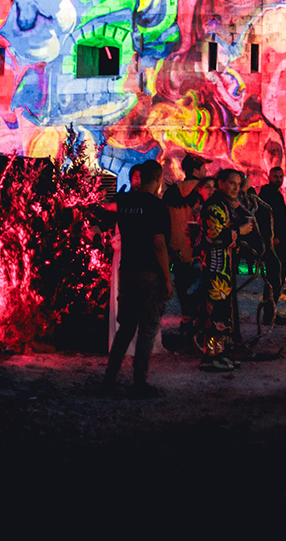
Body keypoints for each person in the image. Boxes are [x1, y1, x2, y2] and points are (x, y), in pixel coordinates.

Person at [102, 159, 172, 398]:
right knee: (148, 327)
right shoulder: (157, 206)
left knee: (126, 327)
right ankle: (139, 382)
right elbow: (159, 243)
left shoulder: (125, 202)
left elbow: (106, 208)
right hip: (149, 272)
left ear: (141, 178)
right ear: (159, 179)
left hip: (127, 269)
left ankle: (109, 378)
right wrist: (167, 278)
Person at [197, 169, 253, 371]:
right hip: (215, 267)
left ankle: (219, 352)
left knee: (223, 312)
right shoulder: (214, 206)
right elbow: (213, 236)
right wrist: (239, 231)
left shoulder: (225, 205)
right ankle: (210, 356)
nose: (235, 188)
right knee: (215, 313)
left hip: (224, 267)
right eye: (231, 183)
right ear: (220, 183)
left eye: (238, 184)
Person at [164, 154, 208, 316]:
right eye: (204, 168)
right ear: (196, 170)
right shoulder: (204, 192)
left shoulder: (171, 192)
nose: (206, 171)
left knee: (183, 290)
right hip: (198, 252)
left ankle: (186, 320)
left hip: (177, 252)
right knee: (200, 293)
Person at [257, 166, 286, 323]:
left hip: (279, 243)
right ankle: (269, 315)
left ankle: (270, 313)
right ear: (269, 177)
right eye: (276, 176)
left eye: (280, 176)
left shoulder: (275, 194)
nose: (279, 179)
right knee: (274, 279)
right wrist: (271, 238)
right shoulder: (268, 194)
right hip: (275, 245)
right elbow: (264, 218)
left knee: (276, 278)